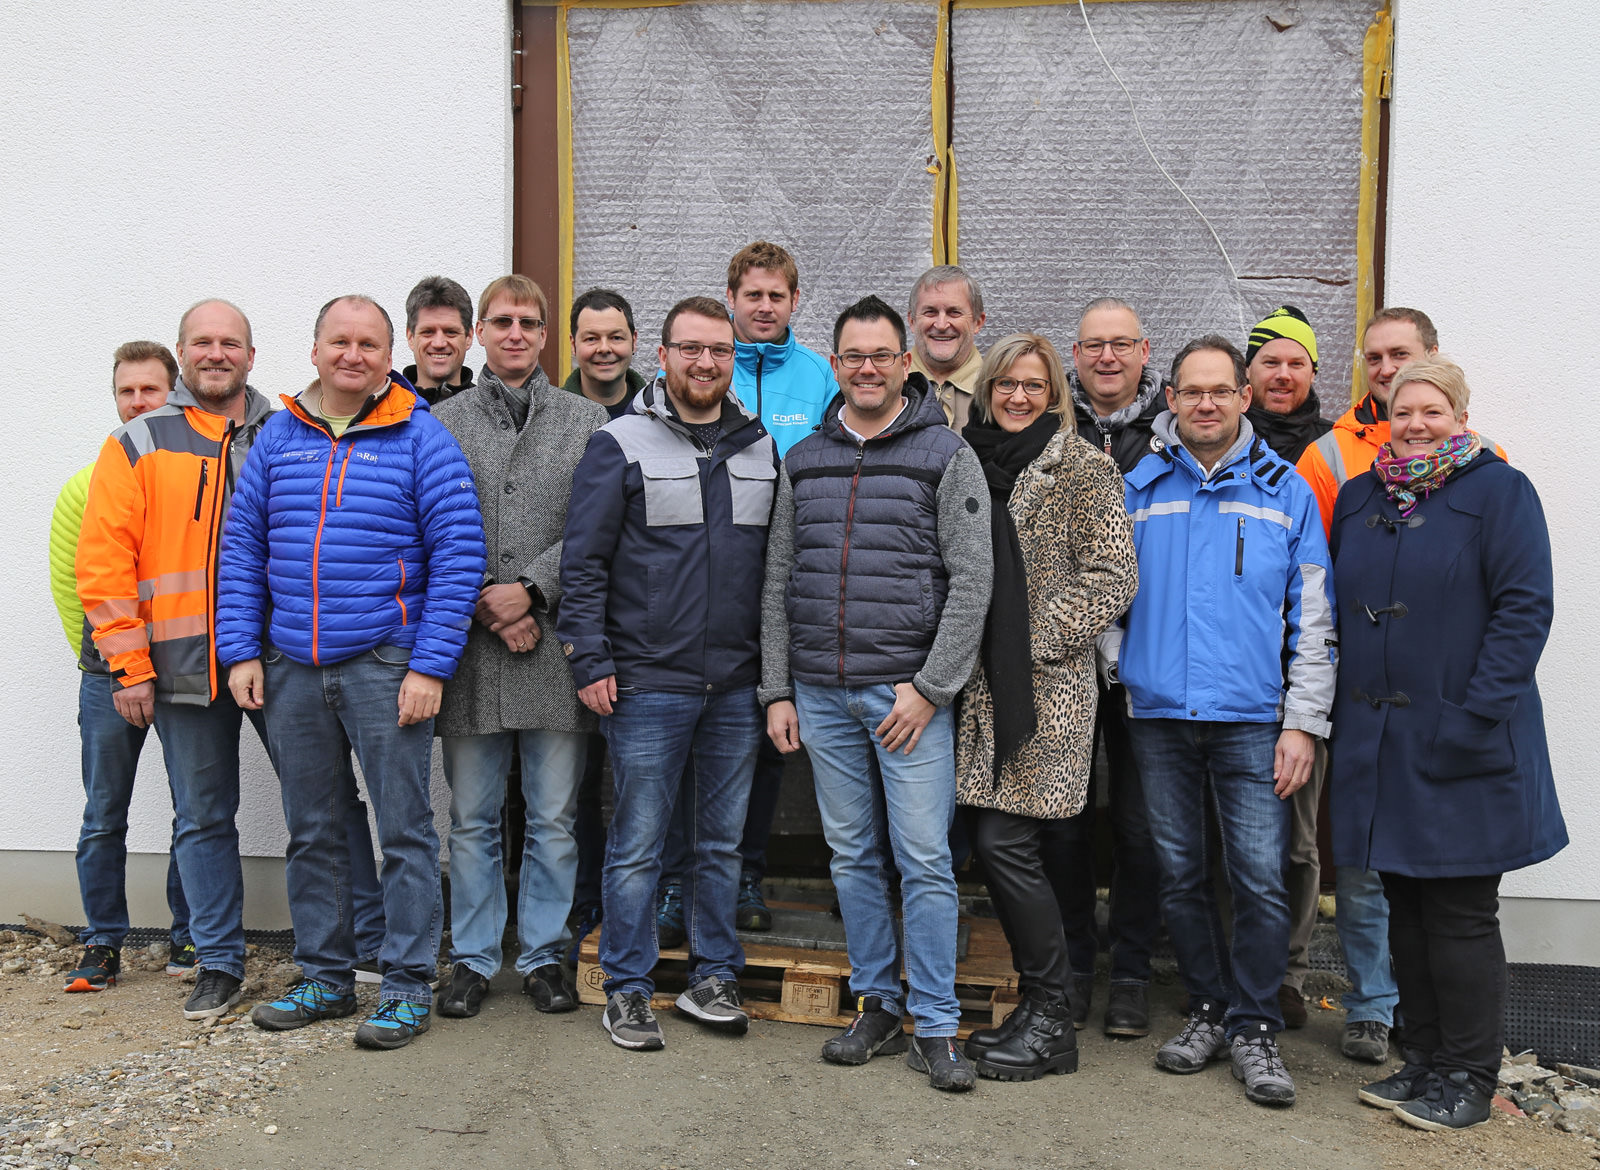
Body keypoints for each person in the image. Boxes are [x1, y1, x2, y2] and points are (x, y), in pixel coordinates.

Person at [218, 295, 486, 1051]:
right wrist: (241, 650)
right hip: (292, 667)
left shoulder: (419, 436)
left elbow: (459, 556)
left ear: (385, 353)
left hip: (384, 662)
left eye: (369, 344)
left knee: (403, 829)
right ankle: (327, 979)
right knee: (315, 829)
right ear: (313, 351)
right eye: (340, 341)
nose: (354, 355)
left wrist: (430, 666)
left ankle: (404, 986)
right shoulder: (278, 438)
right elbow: (242, 553)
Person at [761, 295, 992, 1092]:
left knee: (924, 859)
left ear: (905, 364)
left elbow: (973, 582)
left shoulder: (944, 454)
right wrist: (777, 689)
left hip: (907, 701)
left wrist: (930, 690)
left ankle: (935, 1023)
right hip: (821, 694)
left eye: (880, 356)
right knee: (853, 856)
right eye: (852, 356)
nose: (866, 369)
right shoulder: (806, 460)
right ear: (835, 364)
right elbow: (778, 580)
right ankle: (878, 1004)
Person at [1329, 355, 1564, 1131]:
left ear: (1460, 415)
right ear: (1385, 418)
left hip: (1466, 743)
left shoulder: (1500, 491)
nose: (1417, 423)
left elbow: (1524, 609)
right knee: (1403, 906)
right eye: (1403, 412)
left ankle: (1468, 1073)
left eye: (1434, 410)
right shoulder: (1363, 495)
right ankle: (1422, 1060)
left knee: (1461, 915)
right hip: (1383, 742)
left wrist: (1473, 716)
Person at [1106, 334, 1336, 1108]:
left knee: (1261, 883)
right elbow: (1108, 593)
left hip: (1252, 722)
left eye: (1220, 390)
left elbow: (1314, 618)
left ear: (1243, 397)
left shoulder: (1285, 491)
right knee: (1179, 876)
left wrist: (1301, 723)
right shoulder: (1137, 486)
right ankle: (1206, 1009)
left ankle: (1255, 1026)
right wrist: (1123, 667)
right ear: (1169, 399)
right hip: (1160, 718)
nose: (1206, 403)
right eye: (1191, 391)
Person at [559, 296, 778, 1052]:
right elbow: (581, 564)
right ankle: (627, 986)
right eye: (691, 349)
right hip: (647, 680)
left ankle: (713, 976)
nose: (705, 363)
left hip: (735, 685)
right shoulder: (618, 444)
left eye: (718, 351)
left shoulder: (761, 449)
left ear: (732, 358)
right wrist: (589, 657)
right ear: (664, 356)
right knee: (639, 843)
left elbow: (772, 573)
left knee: (720, 844)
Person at [77, 300, 276, 1022]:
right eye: (202, 342)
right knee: (202, 814)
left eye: (230, 342)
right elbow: (103, 568)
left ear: (252, 354)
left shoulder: (286, 429)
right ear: (183, 354)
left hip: (278, 659)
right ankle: (218, 961)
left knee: (324, 808)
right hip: (186, 666)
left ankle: (344, 948)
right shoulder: (136, 441)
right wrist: (130, 666)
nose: (215, 353)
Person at [953, 333, 1137, 1080]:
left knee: (1007, 842)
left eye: (1034, 386)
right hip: (974, 687)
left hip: (1047, 688)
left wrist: (1026, 637)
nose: (1019, 398)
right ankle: (1042, 1004)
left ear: (1054, 393)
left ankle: (1053, 1014)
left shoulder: (1083, 468)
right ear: (987, 390)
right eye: (1006, 386)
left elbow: (1113, 576)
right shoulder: (964, 461)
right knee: (998, 842)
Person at [430, 275, 608, 1019]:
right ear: (478, 332)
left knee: (553, 818)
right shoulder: (439, 422)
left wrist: (532, 591)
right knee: (471, 818)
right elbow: (427, 524)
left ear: (545, 337)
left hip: (553, 653)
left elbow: (600, 529)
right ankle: (472, 958)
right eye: (499, 321)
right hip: (471, 650)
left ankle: (542, 955)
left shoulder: (587, 419)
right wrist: (491, 606)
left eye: (528, 322)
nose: (513, 333)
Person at [55, 342, 190, 991]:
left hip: (183, 665)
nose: (138, 402)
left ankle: (189, 935)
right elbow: (70, 581)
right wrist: (110, 663)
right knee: (104, 811)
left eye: (150, 390)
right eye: (127, 391)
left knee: (193, 807)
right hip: (108, 672)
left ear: (175, 394)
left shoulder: (196, 477)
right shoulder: (88, 482)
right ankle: (103, 941)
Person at [1056, 296, 1165, 1036]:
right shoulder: (1049, 428)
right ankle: (1069, 965)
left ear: (1143, 351)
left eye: (1120, 345)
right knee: (1060, 816)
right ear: (1076, 352)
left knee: (1138, 824)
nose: (1106, 358)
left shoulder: (1172, 435)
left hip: (1147, 654)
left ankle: (1130, 971)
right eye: (1093, 345)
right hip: (1062, 654)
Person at [1242, 305, 1333, 1033]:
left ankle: (1289, 971)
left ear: (1312, 372)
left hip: (1300, 676)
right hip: (1234, 677)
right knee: (1232, 834)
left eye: (1294, 361)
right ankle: (1232, 965)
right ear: (1248, 376)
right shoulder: (1217, 453)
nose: (1281, 373)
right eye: (1268, 361)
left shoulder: (1328, 457)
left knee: (1297, 841)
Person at [908, 265, 986, 432]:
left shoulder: (999, 390)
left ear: (977, 322)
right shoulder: (886, 385)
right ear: (912, 321)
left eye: (954, 312)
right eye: (930, 312)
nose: (941, 325)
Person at [563, 287, 646, 419]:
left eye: (616, 338)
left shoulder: (662, 417)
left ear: (633, 342)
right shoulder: (548, 419)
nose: (604, 348)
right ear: (573, 344)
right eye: (591, 339)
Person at [402, 276, 476, 405]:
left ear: (468, 337)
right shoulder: (385, 410)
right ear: (410, 337)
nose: (439, 343)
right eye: (428, 332)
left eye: (450, 332)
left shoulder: (489, 412)